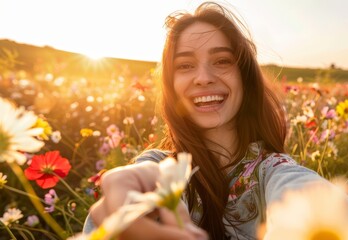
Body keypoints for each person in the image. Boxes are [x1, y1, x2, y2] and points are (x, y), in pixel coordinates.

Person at [84, 2, 335, 239]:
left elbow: (311, 199)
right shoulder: (162, 169)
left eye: (222, 61)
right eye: (185, 65)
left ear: (245, 77)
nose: (203, 78)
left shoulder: (275, 171)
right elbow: (146, 177)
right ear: (171, 86)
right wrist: (130, 197)